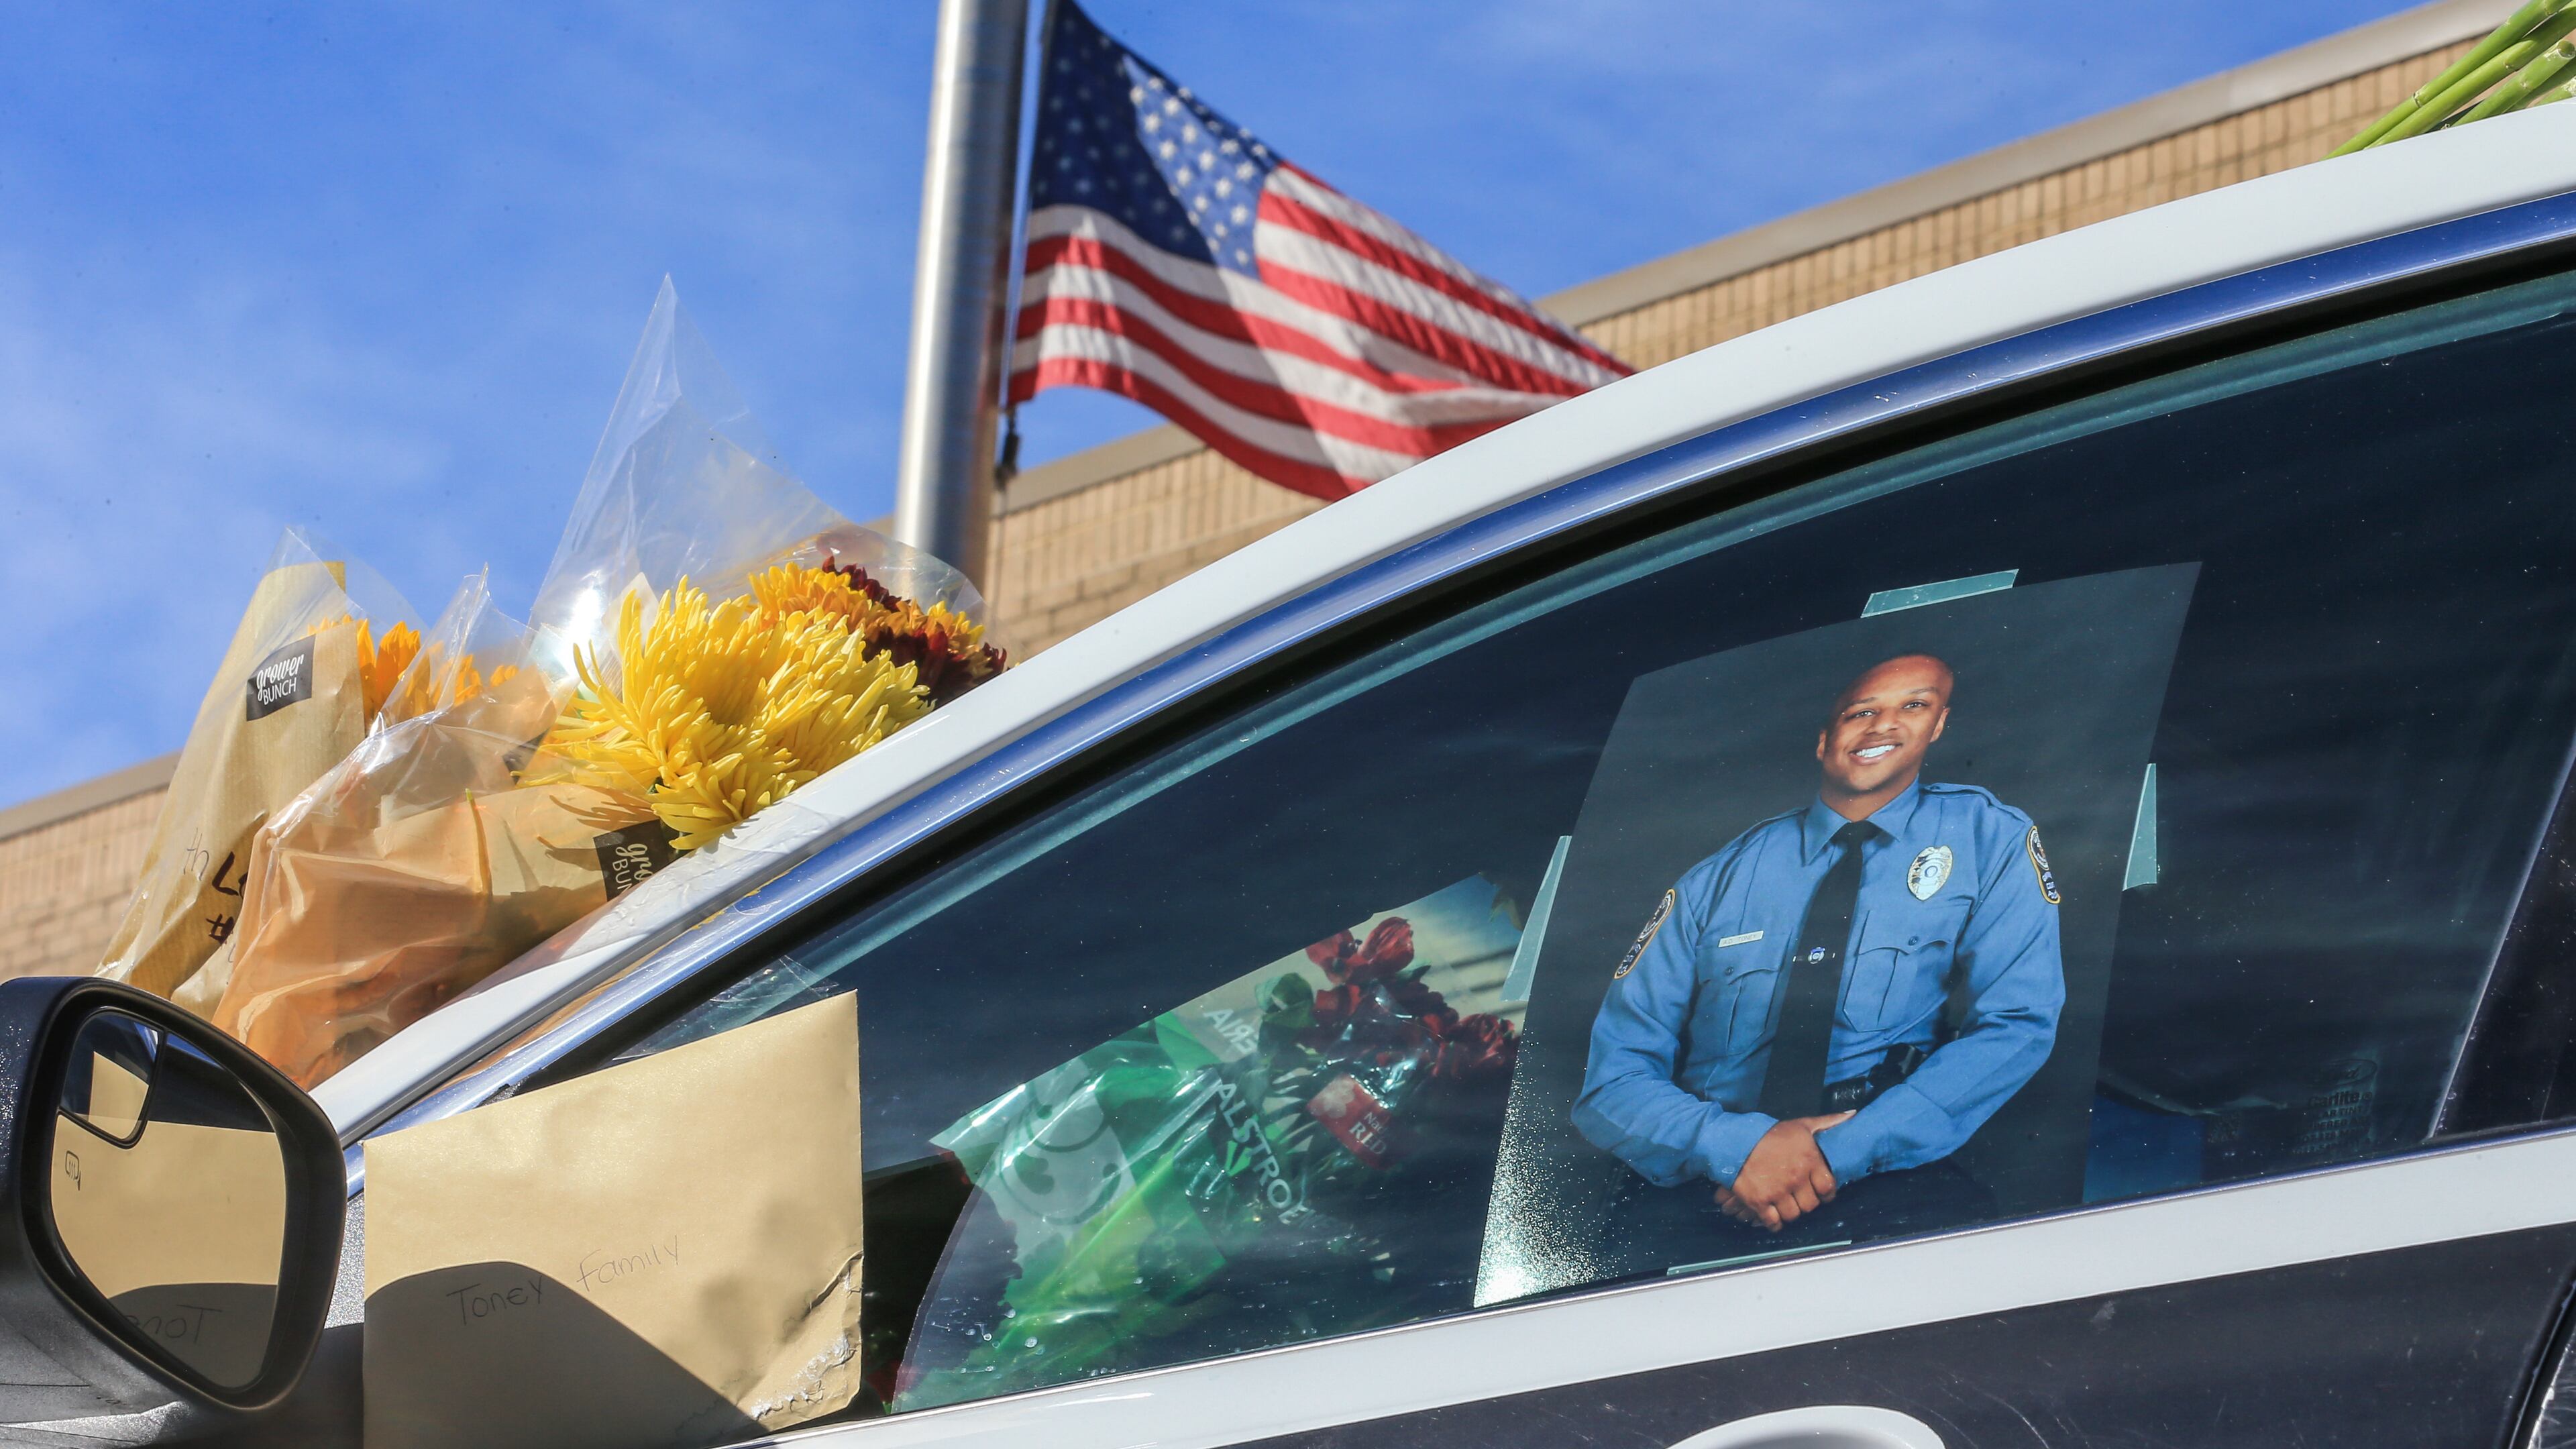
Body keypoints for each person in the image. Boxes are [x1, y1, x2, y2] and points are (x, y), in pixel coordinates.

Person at [1572, 653, 2063, 1246]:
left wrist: (1833, 1156)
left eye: (1913, 705)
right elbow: (1612, 1080)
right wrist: (1737, 1150)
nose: (1882, 726)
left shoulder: (1989, 838)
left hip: (1889, 1182)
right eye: (1862, 712)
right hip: (1706, 1191)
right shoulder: (1716, 879)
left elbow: (2017, 1023)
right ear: (1825, 739)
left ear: (1938, 726)